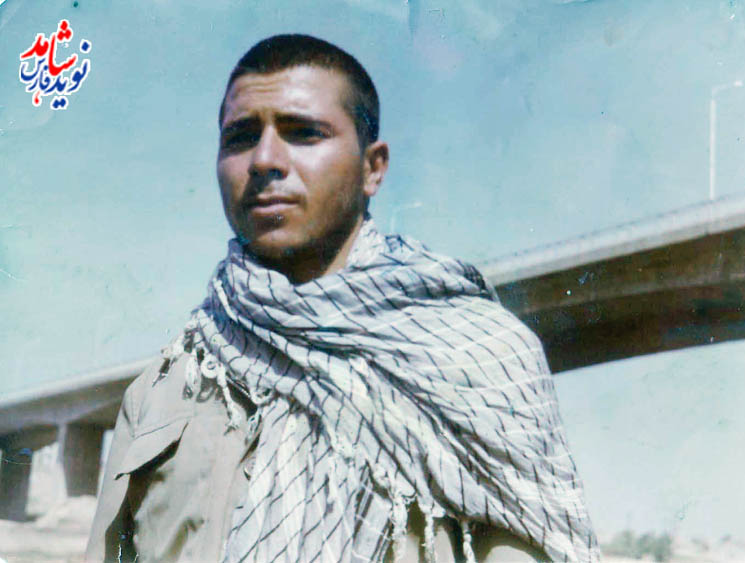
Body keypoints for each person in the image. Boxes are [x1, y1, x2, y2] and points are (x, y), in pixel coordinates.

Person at [86, 34, 600, 562]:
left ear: (373, 168)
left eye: (303, 133)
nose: (264, 159)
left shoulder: (480, 357)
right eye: (240, 138)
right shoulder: (168, 385)